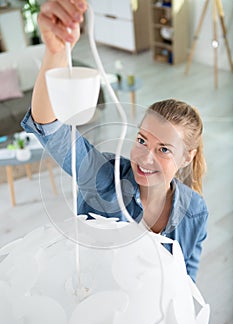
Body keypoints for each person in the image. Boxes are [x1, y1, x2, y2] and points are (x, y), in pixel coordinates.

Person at [21, 0, 208, 282]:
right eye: (142, 140)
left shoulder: (195, 211)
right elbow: (49, 127)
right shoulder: (102, 178)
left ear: (187, 157)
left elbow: (186, 281)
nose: (145, 157)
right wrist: (55, 51)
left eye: (164, 149)